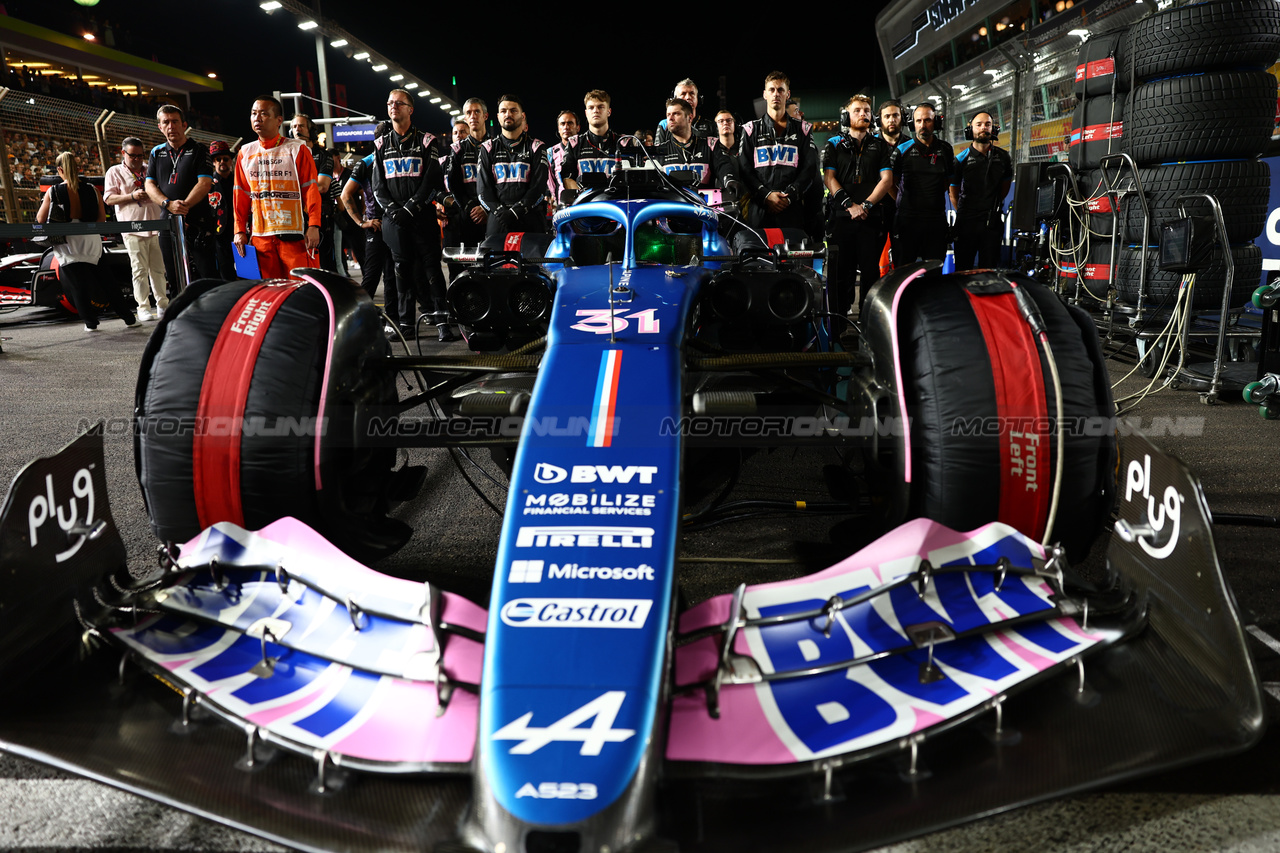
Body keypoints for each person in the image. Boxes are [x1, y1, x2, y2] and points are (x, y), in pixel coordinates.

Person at [372, 87, 452, 341]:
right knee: (401, 271)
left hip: (421, 219)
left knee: (432, 270)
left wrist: (411, 208)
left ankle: (442, 323)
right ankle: (406, 324)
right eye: (390, 103)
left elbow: (432, 180)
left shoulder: (427, 141)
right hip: (395, 221)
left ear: (410, 109)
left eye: (399, 103)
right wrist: (395, 211)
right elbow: (377, 186)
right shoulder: (380, 144)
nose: (393, 106)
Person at [38, 151, 136, 330]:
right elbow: (101, 219)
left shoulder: (53, 191)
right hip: (90, 240)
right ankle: (128, 318)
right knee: (107, 282)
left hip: (67, 242)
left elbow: (40, 219)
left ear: (59, 169)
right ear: (77, 168)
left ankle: (91, 323)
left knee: (78, 286)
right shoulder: (91, 189)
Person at [232, 96, 323, 280]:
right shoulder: (245, 153)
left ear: (279, 120)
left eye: (264, 114)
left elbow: (311, 190)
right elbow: (240, 195)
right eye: (253, 114)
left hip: (295, 236)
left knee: (301, 291)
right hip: (260, 238)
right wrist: (239, 230)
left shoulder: (298, 149)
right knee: (268, 292)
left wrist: (314, 225)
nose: (257, 118)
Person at [822, 95, 894, 318]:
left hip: (871, 219)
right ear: (846, 116)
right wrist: (849, 205)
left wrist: (865, 205)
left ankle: (868, 320)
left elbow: (887, 180)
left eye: (866, 110)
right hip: (841, 219)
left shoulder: (880, 145)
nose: (863, 114)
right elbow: (829, 178)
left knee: (871, 273)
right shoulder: (833, 144)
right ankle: (839, 322)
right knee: (841, 273)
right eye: (857, 110)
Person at [736, 71, 816, 249]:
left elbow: (810, 168)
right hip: (759, 210)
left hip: (792, 209)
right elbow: (744, 169)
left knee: (792, 267)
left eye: (780, 90)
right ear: (765, 94)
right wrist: (766, 195)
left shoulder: (803, 129)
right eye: (771, 89)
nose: (776, 94)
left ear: (788, 94)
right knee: (758, 264)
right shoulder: (750, 130)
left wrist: (789, 196)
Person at [145, 104, 218, 293]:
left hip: (198, 222)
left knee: (207, 274)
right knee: (174, 275)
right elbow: (149, 185)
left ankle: (213, 318)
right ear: (160, 127)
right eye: (166, 122)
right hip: (168, 221)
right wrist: (168, 204)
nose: (171, 126)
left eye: (175, 121)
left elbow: (204, 183)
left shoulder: (200, 150)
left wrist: (183, 207)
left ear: (184, 124)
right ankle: (181, 317)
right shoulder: (156, 152)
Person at [102, 136, 167, 317]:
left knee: (158, 269)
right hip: (132, 228)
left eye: (140, 156)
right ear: (123, 153)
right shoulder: (114, 172)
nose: (138, 160)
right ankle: (143, 307)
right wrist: (132, 196)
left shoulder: (150, 169)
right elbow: (108, 198)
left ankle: (162, 304)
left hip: (155, 225)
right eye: (133, 156)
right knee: (139, 269)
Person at [341, 125, 399, 322]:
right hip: (376, 226)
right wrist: (361, 222)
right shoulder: (366, 163)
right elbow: (345, 194)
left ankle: (393, 320)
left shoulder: (398, 158)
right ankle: (359, 318)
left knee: (393, 277)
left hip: (397, 223)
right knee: (372, 275)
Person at [477, 94, 548, 239]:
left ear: (522, 116)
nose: (508, 114)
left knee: (533, 262)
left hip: (530, 218)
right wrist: (501, 212)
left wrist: (516, 212)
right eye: (503, 111)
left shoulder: (537, 146)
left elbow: (538, 188)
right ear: (498, 116)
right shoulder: (487, 147)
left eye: (513, 110)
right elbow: (483, 189)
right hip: (499, 220)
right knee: (495, 262)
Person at [949, 111, 1014, 270]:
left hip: (992, 223)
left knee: (989, 269)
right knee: (963, 269)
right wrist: (966, 213)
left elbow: (1004, 189)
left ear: (994, 129)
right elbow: (953, 193)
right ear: (971, 129)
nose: (983, 128)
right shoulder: (960, 159)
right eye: (979, 125)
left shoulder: (1004, 157)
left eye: (987, 124)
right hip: (966, 223)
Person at [892, 103, 955, 263]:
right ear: (913, 124)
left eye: (927, 120)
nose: (922, 125)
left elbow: (949, 181)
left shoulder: (946, 149)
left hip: (935, 221)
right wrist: (902, 202)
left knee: (934, 273)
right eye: (918, 120)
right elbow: (891, 183)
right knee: (903, 273)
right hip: (907, 221)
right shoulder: (902, 150)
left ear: (936, 122)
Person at [560, 90, 638, 199]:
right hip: (586, 206)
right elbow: (567, 178)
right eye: (591, 108)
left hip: (617, 205)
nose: (595, 111)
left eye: (600, 107)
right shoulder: (574, 143)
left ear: (609, 111)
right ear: (586, 113)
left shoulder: (624, 142)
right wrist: (584, 198)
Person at [652, 98, 733, 189]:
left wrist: (730, 181)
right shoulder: (658, 151)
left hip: (705, 201)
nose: (670, 118)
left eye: (676, 114)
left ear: (690, 118)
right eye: (668, 115)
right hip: (672, 201)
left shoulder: (711, 144)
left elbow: (723, 166)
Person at [290, 113, 336, 271]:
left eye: (301, 126)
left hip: (320, 215)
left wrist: (294, 190)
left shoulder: (323, 155)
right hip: (293, 217)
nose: (297, 129)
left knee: (325, 264)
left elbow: (323, 187)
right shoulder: (286, 154)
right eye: (294, 127)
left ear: (311, 131)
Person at [446, 97, 490, 251]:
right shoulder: (458, 148)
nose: (473, 116)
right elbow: (454, 184)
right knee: (471, 265)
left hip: (493, 215)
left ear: (485, 116)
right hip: (468, 215)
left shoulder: (497, 145)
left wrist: (487, 209)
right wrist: (472, 208)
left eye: (477, 111)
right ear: (465, 118)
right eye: (469, 113)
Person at [206, 140, 236, 281]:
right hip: (219, 232)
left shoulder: (239, 180)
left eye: (225, 159)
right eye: (218, 159)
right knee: (226, 271)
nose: (222, 162)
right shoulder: (207, 183)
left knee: (247, 271)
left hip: (240, 230)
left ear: (231, 161)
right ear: (213, 162)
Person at [654, 78, 715, 145]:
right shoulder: (664, 124)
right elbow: (658, 153)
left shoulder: (711, 125)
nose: (688, 97)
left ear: (698, 99)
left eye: (692, 93)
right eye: (683, 94)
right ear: (675, 99)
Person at [546, 109, 578, 211]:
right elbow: (551, 183)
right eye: (562, 124)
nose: (566, 127)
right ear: (558, 128)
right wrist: (557, 199)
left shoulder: (585, 149)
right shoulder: (550, 152)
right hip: (562, 206)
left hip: (584, 204)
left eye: (570, 123)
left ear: (578, 127)